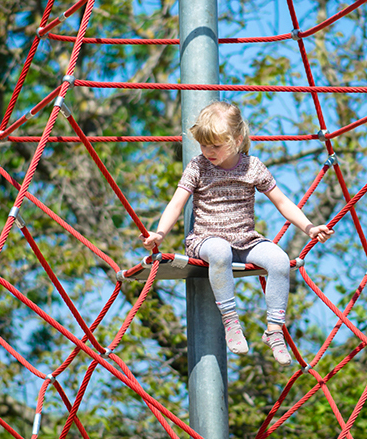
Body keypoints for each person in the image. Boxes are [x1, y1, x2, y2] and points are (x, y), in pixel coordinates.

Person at [139, 101, 333, 365]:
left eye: (216, 145)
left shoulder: (252, 167)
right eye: (204, 145)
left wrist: (309, 227)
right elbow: (176, 203)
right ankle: (230, 321)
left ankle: (274, 330)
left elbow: (283, 203)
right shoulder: (197, 167)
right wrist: (159, 233)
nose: (208, 151)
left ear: (237, 139)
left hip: (244, 240)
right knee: (220, 251)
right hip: (206, 240)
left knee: (279, 260)